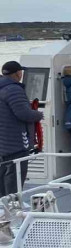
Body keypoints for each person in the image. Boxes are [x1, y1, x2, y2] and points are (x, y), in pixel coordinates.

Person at [0, 61, 43, 195]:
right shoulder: (13, 89)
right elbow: (23, 114)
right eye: (21, 72)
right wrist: (38, 114)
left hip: (3, 143)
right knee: (15, 175)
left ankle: (3, 206)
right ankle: (13, 207)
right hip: (16, 142)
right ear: (17, 73)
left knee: (3, 175)